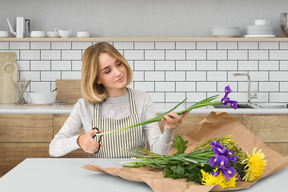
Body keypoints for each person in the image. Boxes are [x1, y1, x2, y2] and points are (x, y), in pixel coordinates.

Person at [49, 42, 190, 158]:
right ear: (97, 78)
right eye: (107, 71)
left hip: (135, 176)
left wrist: (169, 130)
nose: (118, 72)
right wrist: (79, 140)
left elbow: (158, 152)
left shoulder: (142, 100)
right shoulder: (84, 106)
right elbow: (54, 148)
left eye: (118, 64)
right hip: (100, 177)